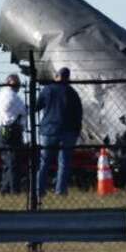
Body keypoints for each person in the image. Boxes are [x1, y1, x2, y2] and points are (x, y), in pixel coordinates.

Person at [34, 67, 83, 196]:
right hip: (68, 131)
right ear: (68, 78)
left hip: (49, 130)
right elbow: (79, 113)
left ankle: (39, 191)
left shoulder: (48, 89)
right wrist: (77, 131)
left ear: (56, 76)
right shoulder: (72, 92)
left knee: (44, 162)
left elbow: (37, 106)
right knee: (64, 163)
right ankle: (60, 191)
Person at [0, 73, 27, 193]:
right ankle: (14, 190)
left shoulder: (2, 94)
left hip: (3, 129)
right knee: (14, 162)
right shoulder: (13, 96)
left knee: (7, 161)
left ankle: (5, 189)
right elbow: (24, 110)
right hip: (13, 130)